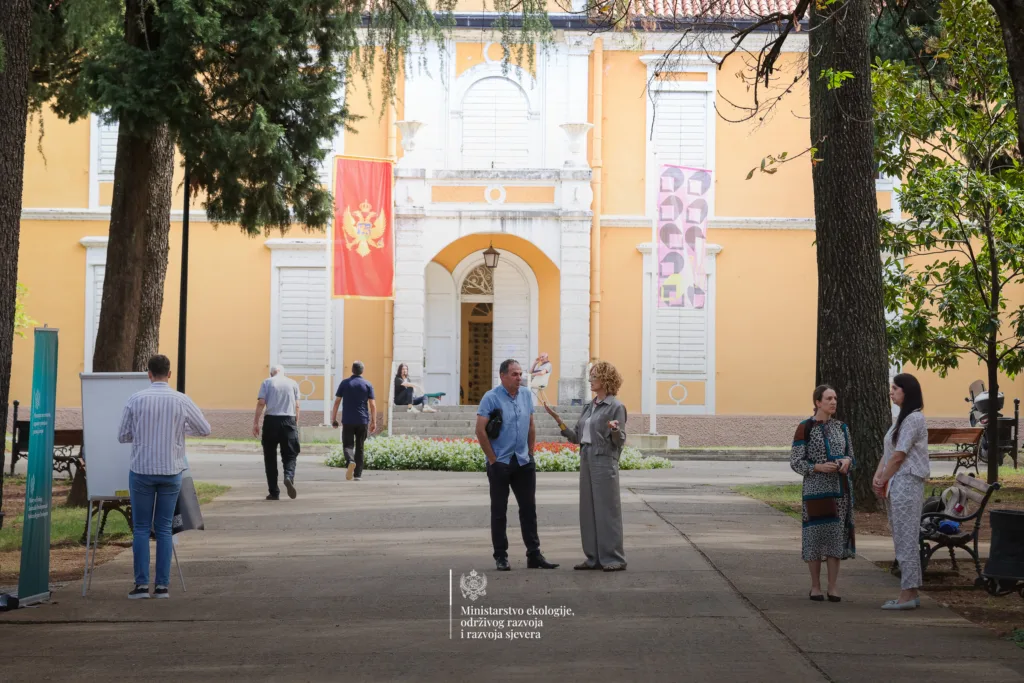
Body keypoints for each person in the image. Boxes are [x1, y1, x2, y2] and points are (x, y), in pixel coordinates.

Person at [117, 354, 211, 600]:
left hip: (141, 471)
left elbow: (122, 435)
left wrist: (141, 434)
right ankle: (162, 587)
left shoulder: (135, 399)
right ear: (169, 374)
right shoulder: (181, 400)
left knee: (140, 528)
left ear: (149, 373)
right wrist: (180, 429)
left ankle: (140, 586)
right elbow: (205, 429)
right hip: (171, 471)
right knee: (164, 528)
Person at [542, 360, 628, 572]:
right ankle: (593, 558)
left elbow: (620, 440)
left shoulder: (616, 407)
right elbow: (576, 437)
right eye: (591, 376)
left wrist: (615, 430)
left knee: (607, 510)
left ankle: (614, 558)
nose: (590, 380)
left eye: (594, 376)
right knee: (587, 510)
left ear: (605, 380)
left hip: (604, 459)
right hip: (587, 457)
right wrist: (558, 420)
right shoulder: (589, 407)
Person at [476, 359, 558, 572]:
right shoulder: (491, 397)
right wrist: (492, 459)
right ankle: (501, 556)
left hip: (523, 461)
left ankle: (534, 554)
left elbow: (531, 425)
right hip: (500, 462)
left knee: (529, 509)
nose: (519, 378)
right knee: (499, 511)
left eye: (520, 374)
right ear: (502, 376)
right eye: (514, 374)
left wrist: (530, 453)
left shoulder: (525, 395)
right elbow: (480, 430)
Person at [789, 385, 855, 602]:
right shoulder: (805, 427)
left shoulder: (842, 427)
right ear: (818, 402)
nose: (833, 402)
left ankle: (833, 587)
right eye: (828, 398)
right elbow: (795, 461)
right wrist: (817, 467)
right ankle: (815, 586)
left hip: (839, 491)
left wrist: (846, 462)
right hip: (815, 490)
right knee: (815, 537)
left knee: (835, 536)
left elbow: (851, 457)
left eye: (835, 398)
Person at [873, 373, 928, 610]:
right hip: (897, 484)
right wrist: (879, 475)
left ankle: (907, 594)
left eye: (895, 388)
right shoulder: (901, 420)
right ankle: (910, 590)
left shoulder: (914, 419)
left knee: (906, 538)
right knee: (900, 536)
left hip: (907, 483)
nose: (891, 392)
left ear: (907, 391)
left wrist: (882, 479)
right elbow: (889, 452)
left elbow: (899, 456)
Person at [253, 365, 301, 501]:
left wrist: (256, 422)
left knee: (270, 457)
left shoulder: (267, 382)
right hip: (289, 420)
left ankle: (274, 492)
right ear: (284, 373)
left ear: (271, 373)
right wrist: (295, 423)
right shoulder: (293, 383)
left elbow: (261, 402)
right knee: (290, 454)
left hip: (271, 421)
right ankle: (288, 476)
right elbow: (297, 405)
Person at [331, 361, 377, 481]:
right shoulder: (367, 384)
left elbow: (337, 402)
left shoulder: (345, 383)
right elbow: (372, 405)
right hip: (363, 420)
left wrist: (334, 419)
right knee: (360, 447)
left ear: (352, 370)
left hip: (348, 420)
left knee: (348, 445)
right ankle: (358, 475)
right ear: (362, 371)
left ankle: (350, 461)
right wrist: (374, 422)